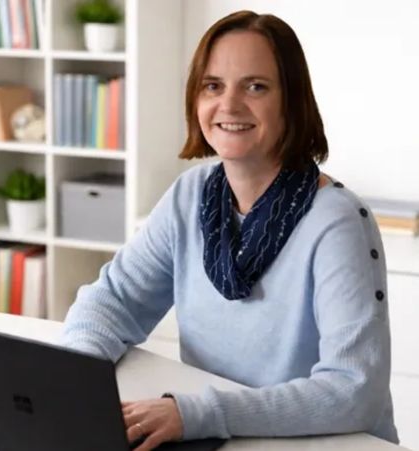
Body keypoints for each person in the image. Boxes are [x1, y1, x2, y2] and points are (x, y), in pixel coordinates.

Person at [60, 10, 399, 451]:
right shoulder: (190, 196)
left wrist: (198, 414)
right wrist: (74, 380)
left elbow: (354, 391)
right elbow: (112, 302)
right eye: (213, 86)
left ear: (291, 101)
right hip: (224, 440)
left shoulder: (338, 222)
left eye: (256, 87)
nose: (230, 105)